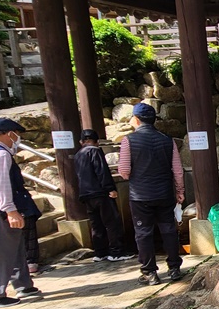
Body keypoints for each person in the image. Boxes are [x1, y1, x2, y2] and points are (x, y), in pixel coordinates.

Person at [0, 117, 42, 308]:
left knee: (15, 247)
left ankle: (23, 285)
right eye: (17, 134)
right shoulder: (0, 154)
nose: (18, 138)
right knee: (3, 251)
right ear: (9, 133)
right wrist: (10, 210)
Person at [118, 102, 184, 285]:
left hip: (140, 195)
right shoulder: (167, 140)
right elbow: (178, 170)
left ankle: (150, 272)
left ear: (136, 119)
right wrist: (180, 191)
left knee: (143, 233)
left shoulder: (128, 140)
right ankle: (174, 268)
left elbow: (124, 171)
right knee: (169, 230)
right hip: (164, 193)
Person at [73, 128, 132, 262]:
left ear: (81, 142)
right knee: (112, 222)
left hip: (86, 194)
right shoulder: (95, 151)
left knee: (96, 224)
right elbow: (102, 171)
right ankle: (116, 252)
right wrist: (110, 188)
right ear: (97, 141)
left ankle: (100, 253)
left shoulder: (78, 155)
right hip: (100, 193)